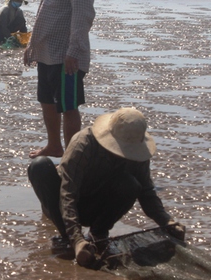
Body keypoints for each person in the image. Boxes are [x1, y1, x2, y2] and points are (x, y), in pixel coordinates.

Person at [27, 108, 186, 267]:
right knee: (39, 165)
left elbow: (147, 193)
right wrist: (76, 239)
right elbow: (68, 194)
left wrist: (167, 221)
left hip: (96, 205)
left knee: (131, 184)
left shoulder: (138, 153)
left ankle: (98, 233)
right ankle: (69, 238)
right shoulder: (84, 143)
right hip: (61, 205)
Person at [23, 0, 98, 159]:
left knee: (68, 106)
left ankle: (71, 156)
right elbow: (44, 13)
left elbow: (82, 15)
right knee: (47, 101)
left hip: (67, 56)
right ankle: (54, 145)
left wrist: (73, 51)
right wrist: (32, 46)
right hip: (46, 52)